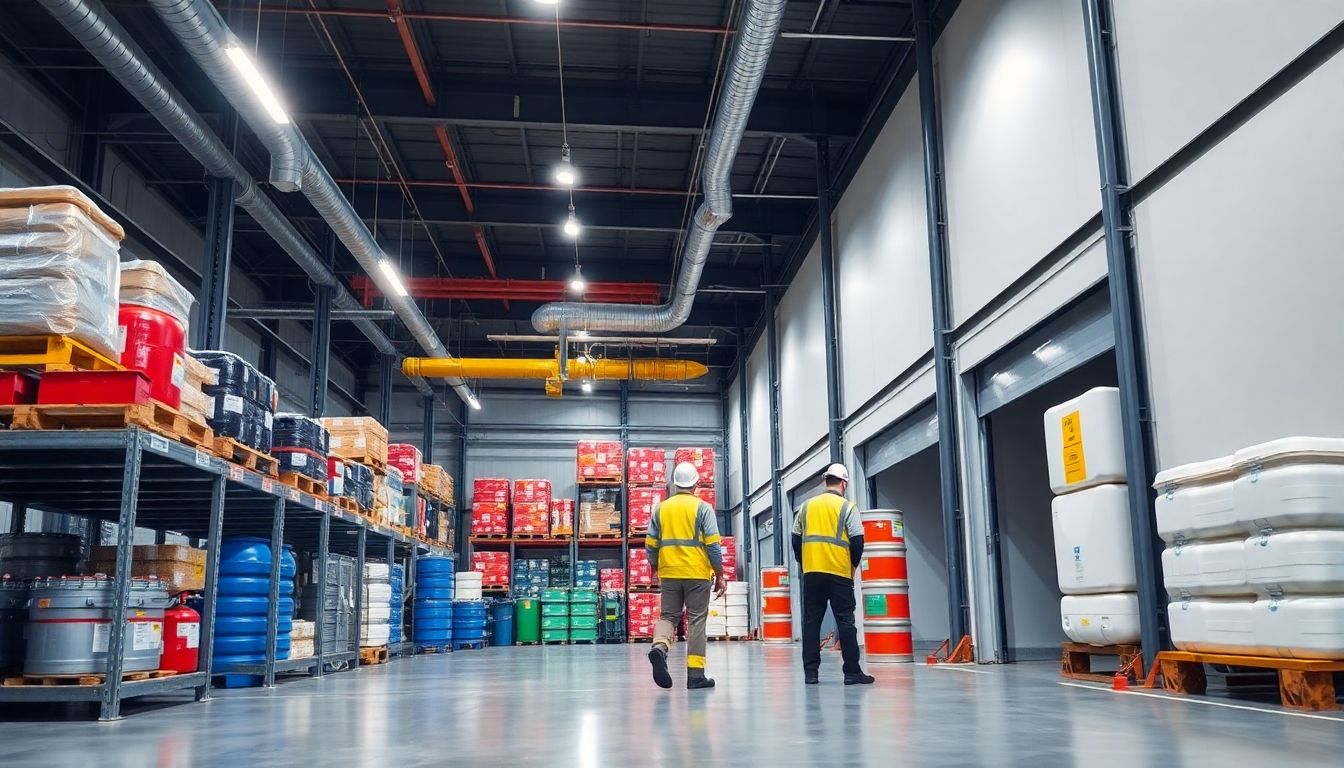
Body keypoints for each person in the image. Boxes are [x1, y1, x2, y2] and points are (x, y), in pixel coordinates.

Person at [645, 461, 727, 690]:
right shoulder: (703, 508)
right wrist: (719, 574)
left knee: (668, 616)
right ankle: (695, 675)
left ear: (674, 483)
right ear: (696, 483)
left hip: (669, 572)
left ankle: (659, 648)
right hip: (697, 573)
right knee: (697, 620)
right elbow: (713, 545)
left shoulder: (660, 509)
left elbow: (650, 544)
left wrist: (654, 568)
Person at [792, 462, 875, 685]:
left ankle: (811, 673)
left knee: (811, 622)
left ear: (825, 481)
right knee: (845, 621)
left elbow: (795, 538)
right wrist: (853, 567)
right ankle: (851, 672)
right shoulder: (848, 508)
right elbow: (858, 541)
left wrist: (804, 562)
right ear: (844, 483)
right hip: (839, 573)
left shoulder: (806, 506)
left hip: (812, 573)